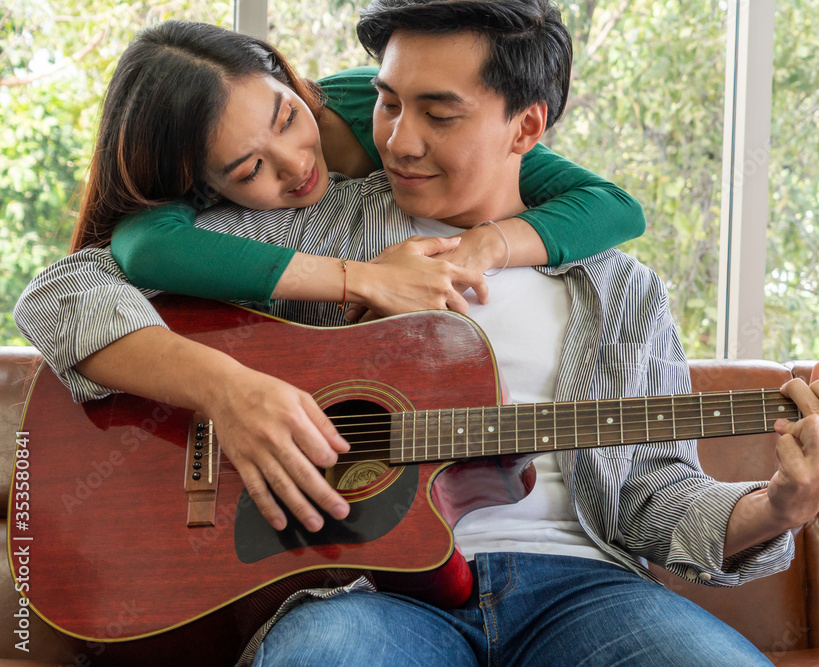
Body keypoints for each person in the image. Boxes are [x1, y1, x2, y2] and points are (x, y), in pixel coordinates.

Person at [14, 1, 819, 664]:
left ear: (526, 127)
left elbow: (654, 500)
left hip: (587, 590)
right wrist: (233, 391)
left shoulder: (621, 289)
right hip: (366, 594)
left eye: (439, 114)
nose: (397, 139)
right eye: (385, 102)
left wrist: (778, 505)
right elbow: (62, 292)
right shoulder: (322, 226)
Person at [13, 17, 644, 534]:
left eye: (287, 119)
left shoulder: (380, 103)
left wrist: (479, 248)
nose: (295, 166)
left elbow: (617, 206)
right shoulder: (291, 224)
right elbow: (83, 280)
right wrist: (234, 384)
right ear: (198, 190)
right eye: (246, 168)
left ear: (290, 83)